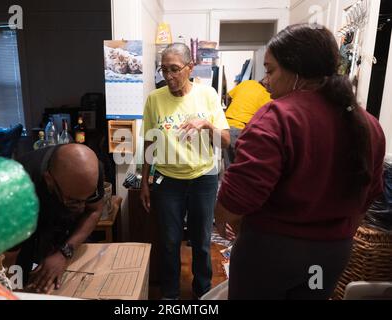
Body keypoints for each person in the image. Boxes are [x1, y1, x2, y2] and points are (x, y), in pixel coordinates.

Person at [215, 24, 386, 300]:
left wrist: (221, 218)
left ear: (295, 71)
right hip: (328, 258)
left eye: (270, 71)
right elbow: (367, 197)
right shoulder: (368, 125)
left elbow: (237, 198)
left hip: (271, 256)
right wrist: (334, 235)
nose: (266, 81)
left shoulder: (277, 117)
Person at [140, 43, 230, 299]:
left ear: (190, 67)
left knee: (201, 243)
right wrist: (144, 181)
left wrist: (205, 124)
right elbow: (149, 141)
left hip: (204, 179)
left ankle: (203, 292)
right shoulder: (154, 100)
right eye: (164, 69)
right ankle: (170, 295)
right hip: (168, 182)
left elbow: (225, 141)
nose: (168, 76)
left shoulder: (208, 95)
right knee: (169, 242)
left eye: (175, 69)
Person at [11, 144, 104, 293]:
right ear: (49, 180)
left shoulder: (93, 169)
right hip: (27, 230)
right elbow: (11, 253)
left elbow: (94, 210)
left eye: (87, 198)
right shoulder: (18, 183)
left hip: (69, 228)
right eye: (74, 200)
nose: (81, 207)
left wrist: (64, 253)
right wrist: (14, 290)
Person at [224, 78, 272, 165]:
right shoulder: (267, 96)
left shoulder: (247, 83)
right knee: (239, 165)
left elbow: (227, 97)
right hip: (240, 129)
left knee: (227, 165)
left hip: (224, 126)